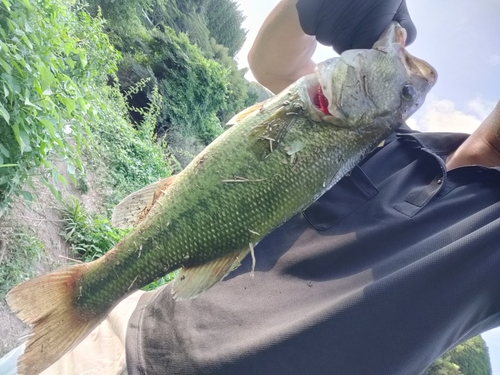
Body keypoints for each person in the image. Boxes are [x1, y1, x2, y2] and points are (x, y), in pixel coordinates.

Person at [1, 0, 500, 374]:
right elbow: (271, 63)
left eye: (407, 93)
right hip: (118, 341)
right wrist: (312, 6)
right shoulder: (380, 138)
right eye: (407, 93)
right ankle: (92, 289)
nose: (409, 81)